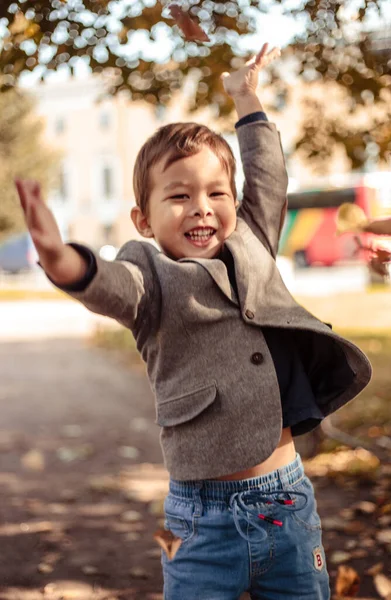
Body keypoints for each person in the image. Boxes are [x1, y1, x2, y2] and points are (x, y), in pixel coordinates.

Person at [15, 43, 371, 600]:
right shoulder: (148, 273)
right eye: (179, 196)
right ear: (143, 218)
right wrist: (64, 259)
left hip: (288, 502)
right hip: (201, 522)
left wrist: (247, 99)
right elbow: (110, 286)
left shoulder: (252, 239)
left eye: (215, 193)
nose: (201, 206)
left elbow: (268, 175)